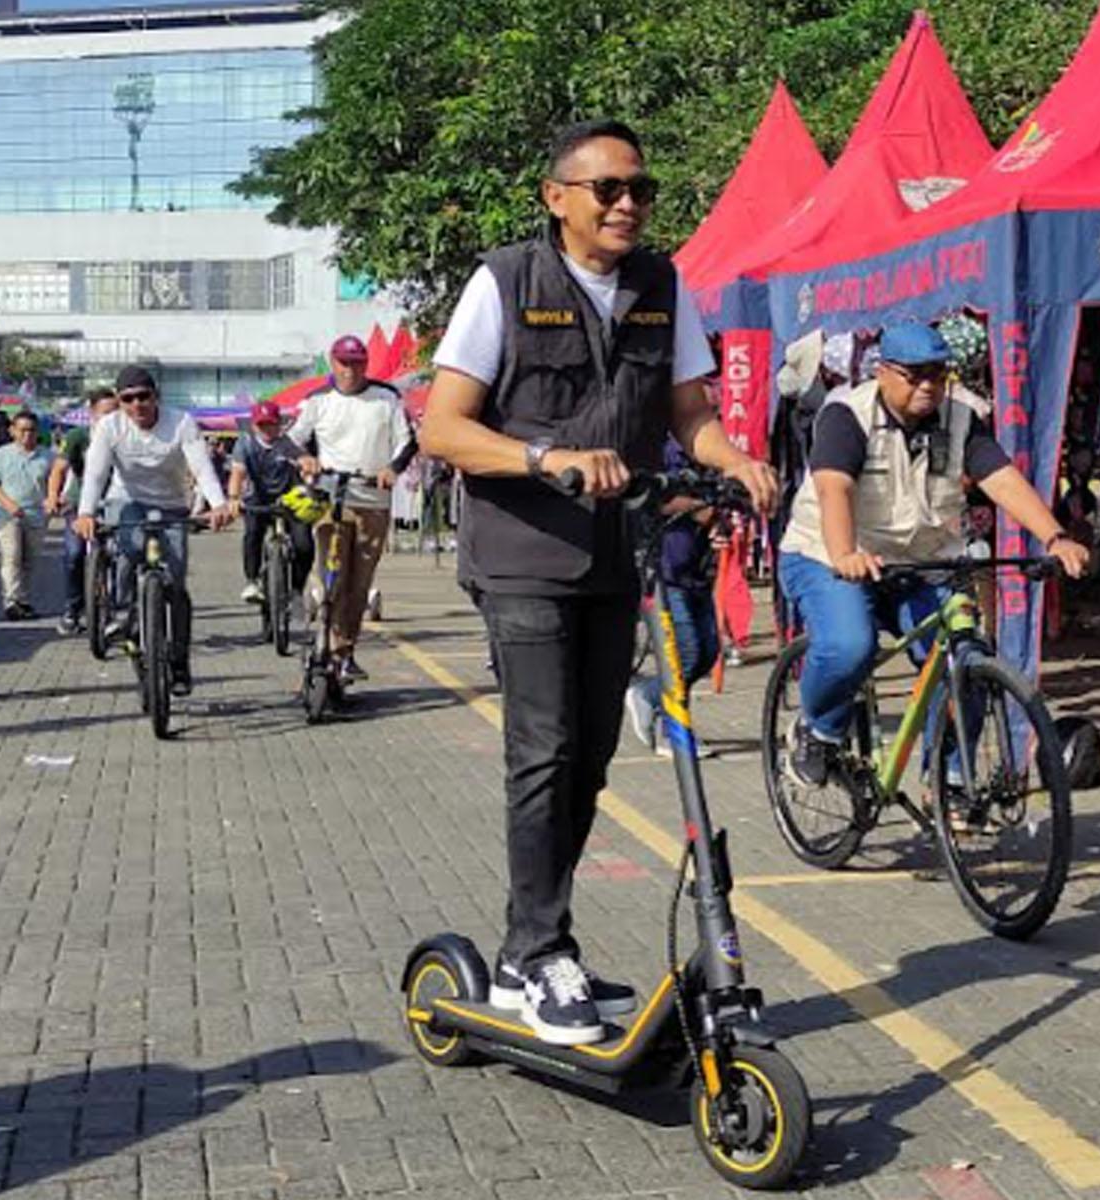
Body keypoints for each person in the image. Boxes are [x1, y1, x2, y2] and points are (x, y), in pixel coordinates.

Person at [419, 118, 778, 1045]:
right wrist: (547, 457)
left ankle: (524, 952)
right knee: (541, 750)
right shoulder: (505, 281)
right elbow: (443, 429)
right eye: (607, 189)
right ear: (557, 198)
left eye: (639, 190)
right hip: (523, 553)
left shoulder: (663, 286)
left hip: (618, 553)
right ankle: (541, 955)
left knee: (589, 757)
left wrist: (732, 459)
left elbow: (689, 414)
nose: (627, 204)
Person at [775, 323, 1091, 789]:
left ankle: (948, 779)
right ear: (882, 372)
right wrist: (845, 553)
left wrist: (1055, 537)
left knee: (966, 663)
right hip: (828, 555)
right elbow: (833, 487)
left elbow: (1000, 478)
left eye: (938, 375)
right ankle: (817, 728)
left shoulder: (959, 417)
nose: (929, 386)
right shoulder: (847, 414)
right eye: (915, 375)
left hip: (918, 562)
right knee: (850, 645)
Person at [72, 366, 234, 696]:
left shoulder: (181, 423)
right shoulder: (109, 427)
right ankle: (124, 613)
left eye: (143, 397)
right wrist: (86, 512)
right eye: (127, 399)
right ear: (119, 402)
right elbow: (95, 474)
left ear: (155, 395)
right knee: (129, 550)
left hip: (171, 503)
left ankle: (178, 661)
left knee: (175, 583)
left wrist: (218, 504)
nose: (137, 405)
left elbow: (201, 466)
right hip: (126, 500)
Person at [287, 336, 413, 681]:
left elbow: (407, 442)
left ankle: (345, 651)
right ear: (333, 362)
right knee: (334, 576)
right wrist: (304, 458)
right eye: (344, 362)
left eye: (357, 362)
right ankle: (322, 626)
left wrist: (393, 469)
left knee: (360, 584)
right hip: (332, 499)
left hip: (372, 500)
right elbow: (290, 438)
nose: (350, 370)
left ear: (366, 363)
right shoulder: (318, 400)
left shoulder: (386, 398)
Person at [623, 440, 722, 759]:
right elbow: (644, 496)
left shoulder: (711, 456)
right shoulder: (662, 448)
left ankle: (648, 694)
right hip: (664, 570)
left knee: (707, 651)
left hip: (697, 569)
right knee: (686, 652)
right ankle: (671, 729)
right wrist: (696, 510)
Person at [47, 389, 120, 635]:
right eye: (105, 413)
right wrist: (52, 498)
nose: (110, 419)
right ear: (92, 413)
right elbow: (59, 469)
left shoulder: (125, 436)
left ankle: (114, 610)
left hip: (115, 505)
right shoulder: (78, 436)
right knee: (74, 554)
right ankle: (71, 610)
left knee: (121, 556)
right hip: (79, 506)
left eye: (115, 413)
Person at [226, 402, 314, 602]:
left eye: (271, 424)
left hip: (288, 500)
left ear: (279, 424)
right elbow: (237, 473)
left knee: (304, 545)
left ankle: (298, 590)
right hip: (258, 499)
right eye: (261, 424)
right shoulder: (245, 444)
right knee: (252, 534)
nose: (267, 429)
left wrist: (309, 465)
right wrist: (233, 498)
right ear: (254, 425)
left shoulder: (286, 443)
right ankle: (252, 581)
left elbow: (303, 459)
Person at [0, 410, 57, 621]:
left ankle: (23, 600)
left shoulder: (47, 456)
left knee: (30, 560)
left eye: (32, 430)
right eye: (22, 430)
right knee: (11, 556)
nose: (27, 435)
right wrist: (8, 503)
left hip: (36, 516)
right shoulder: (1, 454)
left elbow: (56, 481)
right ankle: (11, 601)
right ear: (12, 431)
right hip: (6, 514)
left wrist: (52, 500)